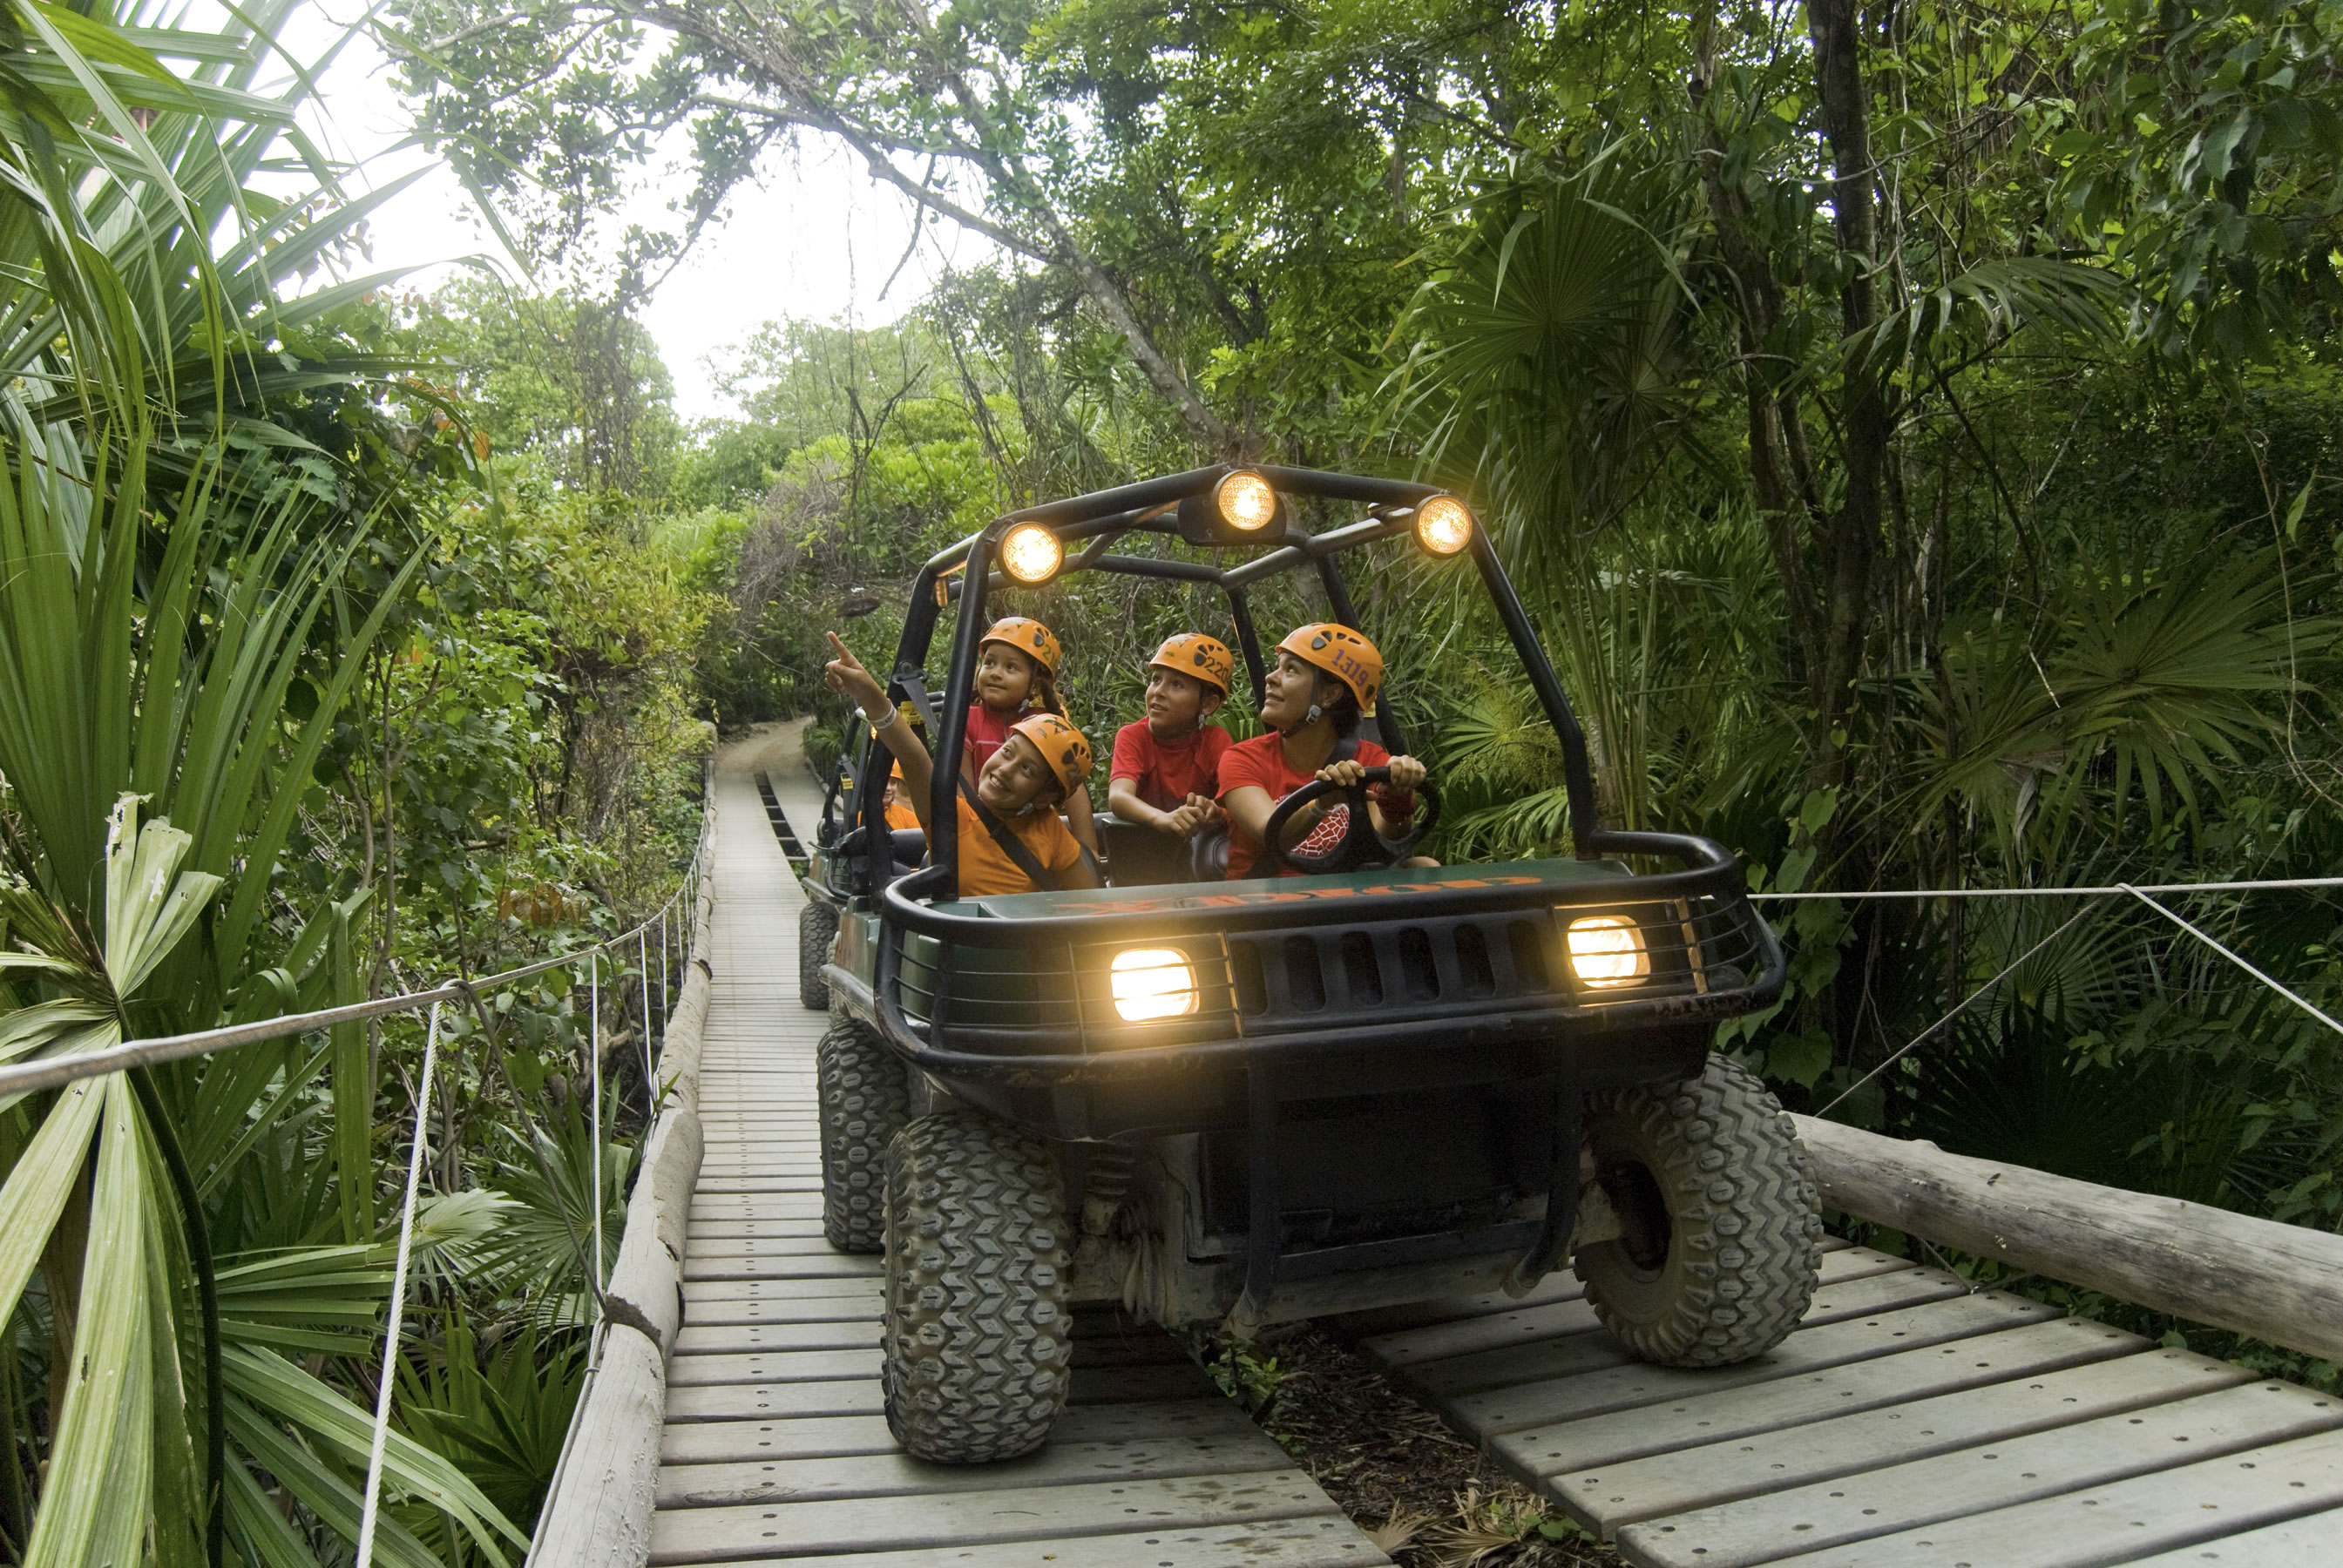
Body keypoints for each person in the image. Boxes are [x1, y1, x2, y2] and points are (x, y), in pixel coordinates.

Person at [825, 632, 1101, 896]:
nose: (1005, 769)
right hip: (958, 941)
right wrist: (868, 694)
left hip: (1024, 942)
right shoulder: (952, 818)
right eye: (1007, 752)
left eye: (1027, 770)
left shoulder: (1048, 830)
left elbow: (1091, 901)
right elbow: (913, 756)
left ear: (1046, 797)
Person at [1216, 624, 1430, 880]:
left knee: (1425, 866)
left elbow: (1386, 842)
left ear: (1329, 695)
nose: (1271, 678)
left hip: (1340, 902)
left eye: (1291, 670)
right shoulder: (1243, 759)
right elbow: (1270, 832)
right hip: (1264, 905)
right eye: (1278, 667)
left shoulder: (1372, 761)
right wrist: (1321, 804)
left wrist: (1397, 797)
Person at [962, 616, 1100, 855]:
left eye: (1010, 667)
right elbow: (962, 790)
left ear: (1035, 685)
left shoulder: (1046, 724)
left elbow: (1074, 791)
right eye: (990, 663)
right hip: (980, 833)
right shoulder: (968, 720)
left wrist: (1089, 851)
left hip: (1034, 837)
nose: (995, 673)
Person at [1107, 633, 1235, 838]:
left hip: (1197, 855)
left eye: (1176, 685)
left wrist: (1216, 810)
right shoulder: (1133, 736)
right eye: (1156, 680)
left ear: (1208, 704)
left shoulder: (1214, 742)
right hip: (1144, 850)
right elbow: (1119, 796)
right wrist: (1162, 819)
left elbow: (1240, 802)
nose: (1158, 691)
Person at [880, 760, 919, 831]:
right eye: (883, 781)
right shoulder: (859, 818)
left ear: (897, 786)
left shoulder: (909, 818)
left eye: (893, 783)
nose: (888, 788)